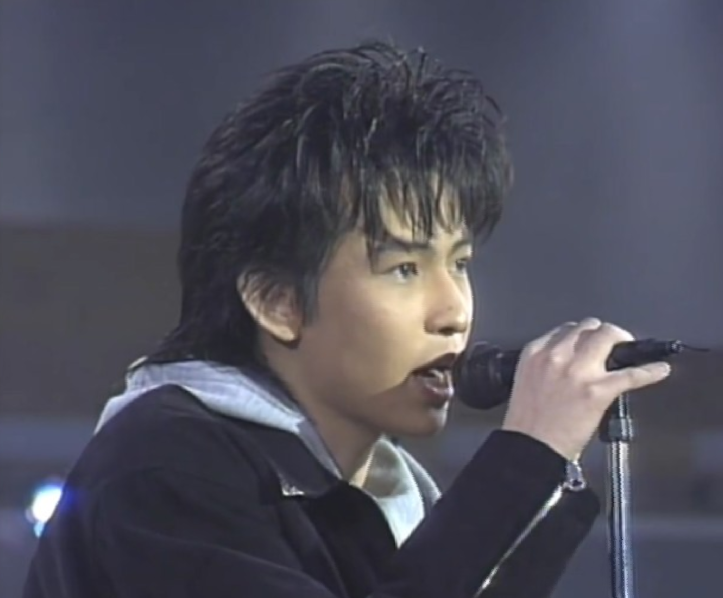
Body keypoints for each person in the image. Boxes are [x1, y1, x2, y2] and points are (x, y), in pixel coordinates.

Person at [23, 40, 671, 598]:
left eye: (460, 263)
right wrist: (526, 458)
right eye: (404, 269)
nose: (453, 312)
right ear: (276, 301)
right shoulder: (167, 469)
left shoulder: (394, 498)